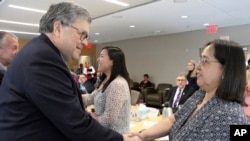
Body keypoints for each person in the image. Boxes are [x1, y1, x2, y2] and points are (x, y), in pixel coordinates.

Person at [0, 2, 138, 141]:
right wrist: (122, 139)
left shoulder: (40, 52)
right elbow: (75, 123)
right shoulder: (43, 59)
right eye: (82, 34)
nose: (85, 43)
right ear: (58, 28)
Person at [129, 39, 249, 141]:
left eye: (205, 61)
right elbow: (173, 120)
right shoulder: (200, 94)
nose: (197, 66)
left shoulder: (231, 117)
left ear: (226, 70)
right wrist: (142, 135)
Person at [82, 46, 131, 134]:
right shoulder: (106, 81)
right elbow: (92, 97)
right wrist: (73, 96)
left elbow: (108, 119)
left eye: (101, 56)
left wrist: (89, 115)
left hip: (116, 136)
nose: (98, 59)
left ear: (113, 61)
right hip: (106, 134)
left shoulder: (117, 84)